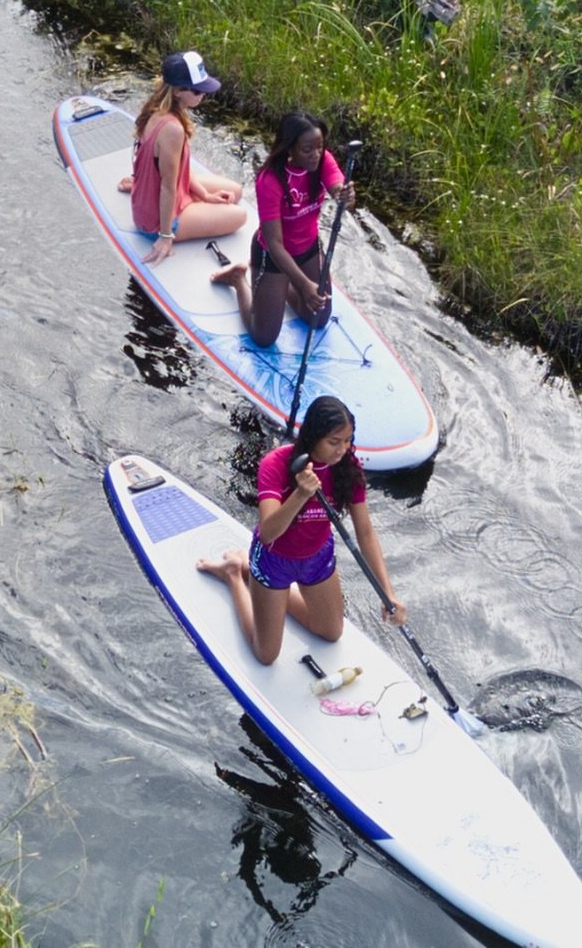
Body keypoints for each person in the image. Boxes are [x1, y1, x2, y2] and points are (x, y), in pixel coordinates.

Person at [197, 396, 405, 665]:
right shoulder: (275, 464)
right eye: (334, 442)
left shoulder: (347, 468)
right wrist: (300, 495)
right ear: (313, 437)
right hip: (274, 560)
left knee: (331, 633)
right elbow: (268, 533)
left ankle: (255, 581)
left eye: (347, 441)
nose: (342, 450)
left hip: (317, 558)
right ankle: (234, 573)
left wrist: (387, 592)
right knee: (266, 655)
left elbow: (365, 532)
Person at [209, 110, 353, 345]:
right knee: (263, 337)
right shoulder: (270, 180)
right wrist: (305, 285)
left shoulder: (322, 159)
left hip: (308, 249)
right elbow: (274, 243)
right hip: (274, 255)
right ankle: (237, 279)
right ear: (289, 149)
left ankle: (281, 289)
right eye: (307, 150)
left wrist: (343, 195)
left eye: (320, 147)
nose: (315, 155)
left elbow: (337, 186)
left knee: (318, 319)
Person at [126, 51, 247, 265]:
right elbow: (167, 186)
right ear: (179, 91)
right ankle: (168, 227)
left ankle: (197, 202)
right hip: (156, 218)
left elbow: (177, 169)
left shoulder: (156, 109)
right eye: (198, 90)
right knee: (240, 216)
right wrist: (165, 237)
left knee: (235, 190)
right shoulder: (172, 129)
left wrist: (206, 196)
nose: (204, 95)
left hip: (157, 194)